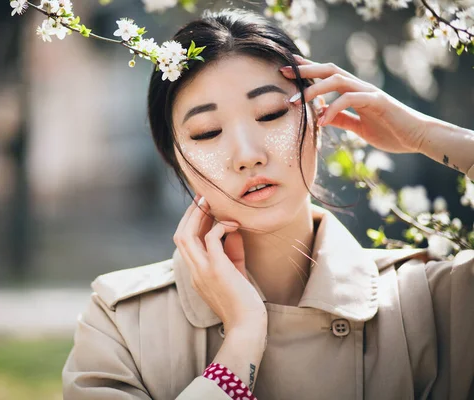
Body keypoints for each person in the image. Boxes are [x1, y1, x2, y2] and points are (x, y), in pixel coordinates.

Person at [62, 8, 474, 400]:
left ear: (318, 118)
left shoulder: (432, 302)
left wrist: (425, 135)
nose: (247, 154)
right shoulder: (121, 324)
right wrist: (241, 342)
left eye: (272, 112)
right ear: (176, 161)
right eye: (207, 132)